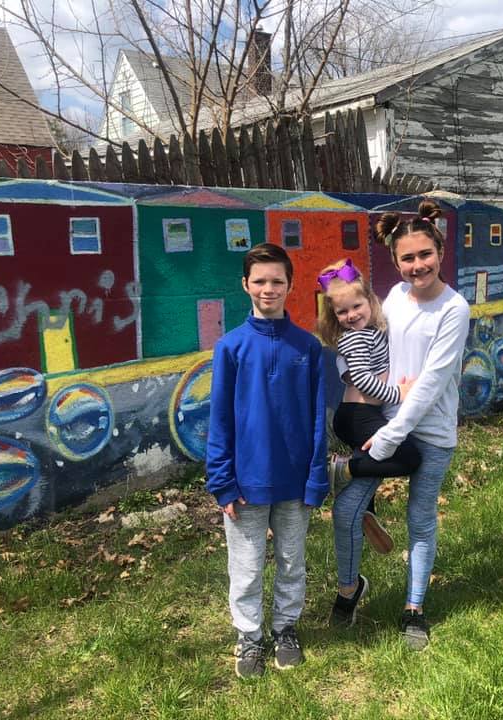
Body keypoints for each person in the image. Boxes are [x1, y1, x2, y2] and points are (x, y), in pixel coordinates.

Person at [329, 200, 470, 650]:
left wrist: (389, 435)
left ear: (439, 251)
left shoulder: (454, 309)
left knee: (420, 519)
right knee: (344, 511)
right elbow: (368, 347)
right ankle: (350, 590)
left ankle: (414, 608)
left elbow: (430, 383)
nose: (417, 265)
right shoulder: (391, 300)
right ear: (395, 261)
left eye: (424, 254)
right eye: (407, 258)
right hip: (384, 423)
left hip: (429, 434)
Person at [205, 242, 329, 678]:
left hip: (295, 480)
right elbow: (219, 418)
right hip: (246, 480)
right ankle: (249, 635)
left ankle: (286, 628)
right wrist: (222, 481)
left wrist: (317, 477)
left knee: (293, 560)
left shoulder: (308, 348)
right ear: (245, 285)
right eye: (259, 280)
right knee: (247, 563)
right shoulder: (231, 348)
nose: (269, 288)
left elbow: (318, 418)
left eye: (277, 280)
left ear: (291, 285)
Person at [315, 258, 421, 555]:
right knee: (410, 457)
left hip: (359, 416)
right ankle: (341, 468)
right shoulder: (357, 337)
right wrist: (397, 393)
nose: (351, 315)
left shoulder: (371, 332)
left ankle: (365, 511)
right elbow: (361, 377)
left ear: (370, 302)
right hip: (358, 415)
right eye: (342, 312)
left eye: (356, 306)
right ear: (334, 317)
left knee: (375, 461)